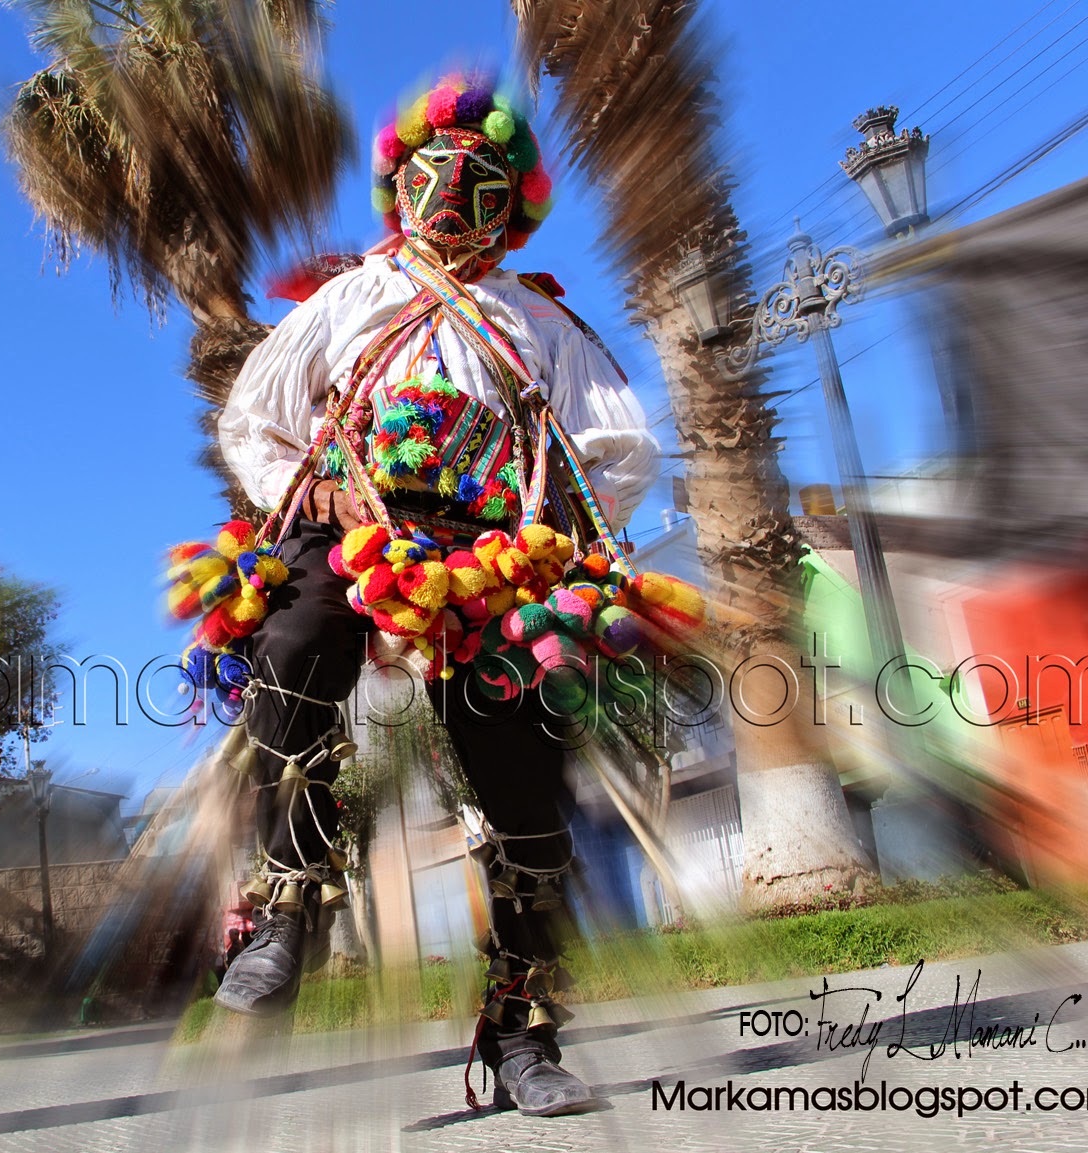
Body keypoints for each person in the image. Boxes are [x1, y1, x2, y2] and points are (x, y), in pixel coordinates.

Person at [206, 78, 657, 1117]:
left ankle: (521, 1031)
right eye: (433, 179)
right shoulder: (350, 299)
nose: (454, 199)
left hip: (492, 561)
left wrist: (563, 535)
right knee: (302, 634)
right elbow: (253, 418)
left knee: (524, 773)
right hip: (358, 533)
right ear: (400, 190)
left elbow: (618, 446)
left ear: (512, 204)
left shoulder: (538, 319)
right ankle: (288, 906)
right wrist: (296, 487)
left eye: (481, 183)